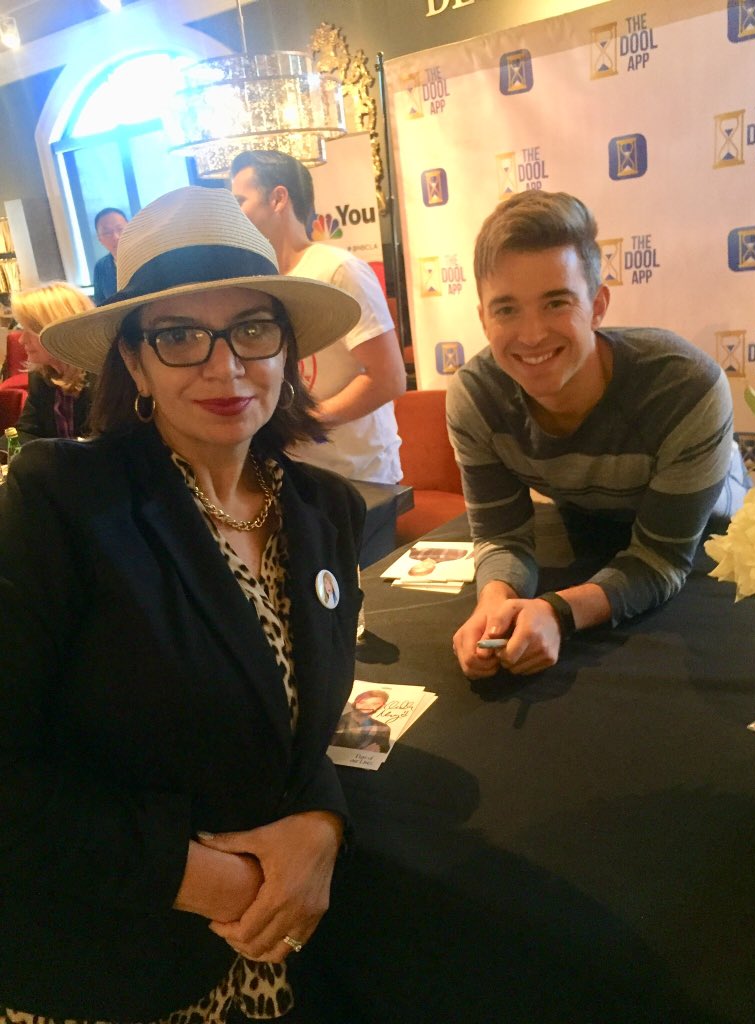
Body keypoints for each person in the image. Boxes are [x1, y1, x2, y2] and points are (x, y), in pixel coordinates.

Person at [0, 185, 366, 1022]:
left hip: (269, 971)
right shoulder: (64, 501)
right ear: (132, 362)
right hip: (110, 968)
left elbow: (302, 726)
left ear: (288, 351)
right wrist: (205, 878)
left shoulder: (324, 513)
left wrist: (323, 821)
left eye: (252, 329)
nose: (224, 363)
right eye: (178, 336)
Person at [448, 190, 749, 679]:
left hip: (708, 549)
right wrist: (497, 601)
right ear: (482, 317)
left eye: (556, 302)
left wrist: (558, 612)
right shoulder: (475, 397)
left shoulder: (685, 385)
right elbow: (501, 536)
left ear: (598, 304)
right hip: (592, 533)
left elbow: (661, 559)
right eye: (506, 309)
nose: (530, 335)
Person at [231, 149, 406, 484]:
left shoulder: (338, 270)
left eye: (241, 201)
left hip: (357, 476)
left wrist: (304, 423)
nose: (234, 215)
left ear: (278, 198)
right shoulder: (259, 282)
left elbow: (389, 378)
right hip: (289, 475)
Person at [11, 282, 94, 442]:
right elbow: (25, 432)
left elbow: (100, 444)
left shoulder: (103, 376)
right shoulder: (40, 375)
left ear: (59, 330)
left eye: (30, 330)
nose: (21, 340)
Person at [92, 206, 129, 304]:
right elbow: (100, 305)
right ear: (100, 239)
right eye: (107, 233)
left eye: (120, 229)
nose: (116, 237)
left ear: (130, 229)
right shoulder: (100, 267)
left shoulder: (148, 257)